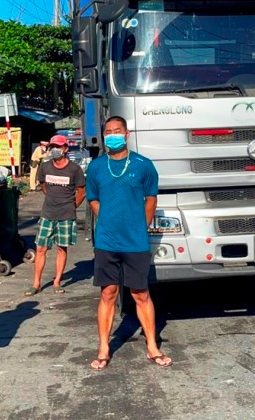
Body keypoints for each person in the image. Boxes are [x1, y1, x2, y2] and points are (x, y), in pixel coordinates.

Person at [85, 116, 172, 370]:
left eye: (117, 131)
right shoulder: (97, 167)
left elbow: (151, 200)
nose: (112, 135)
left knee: (140, 293)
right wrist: (109, 221)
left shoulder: (144, 166)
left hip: (135, 242)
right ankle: (103, 348)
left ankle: (152, 346)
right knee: (108, 293)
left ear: (127, 134)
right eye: (108, 132)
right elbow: (93, 199)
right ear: (103, 136)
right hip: (107, 241)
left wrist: (138, 226)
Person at [25, 134, 86, 296]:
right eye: (52, 147)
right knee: (40, 249)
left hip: (66, 215)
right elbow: (43, 186)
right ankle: (36, 283)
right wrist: (52, 199)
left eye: (58, 147)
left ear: (65, 149)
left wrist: (72, 206)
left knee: (61, 248)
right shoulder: (45, 167)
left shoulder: (74, 169)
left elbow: (82, 190)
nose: (54, 150)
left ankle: (57, 282)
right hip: (47, 213)